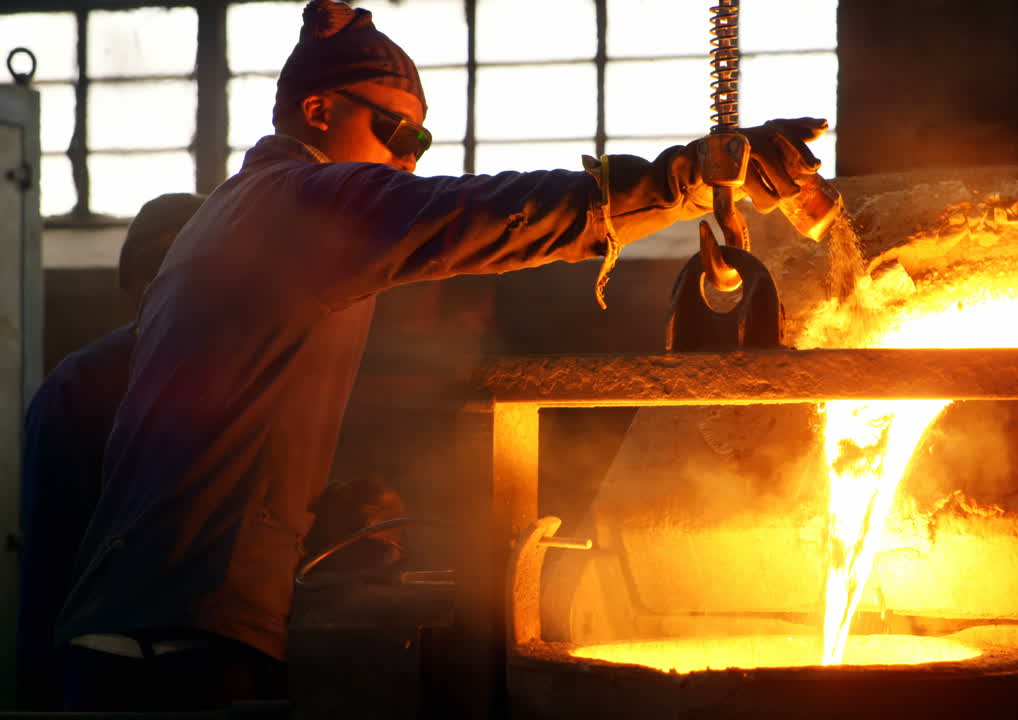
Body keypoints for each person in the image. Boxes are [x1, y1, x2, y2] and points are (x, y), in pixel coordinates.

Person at [54, 0, 833, 711]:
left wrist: (317, 515)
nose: (411, 159)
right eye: (397, 131)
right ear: (317, 111)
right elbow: (476, 215)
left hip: (139, 630)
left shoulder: (232, 218)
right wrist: (682, 182)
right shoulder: (300, 201)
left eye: (421, 139)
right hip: (178, 650)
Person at [16, 192, 206, 711]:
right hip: (114, 660)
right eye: (158, 270)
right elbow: (50, 549)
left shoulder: (251, 381)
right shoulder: (79, 386)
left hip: (205, 655)